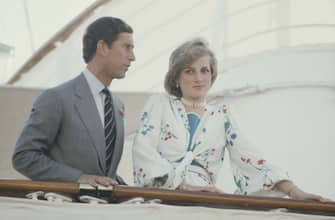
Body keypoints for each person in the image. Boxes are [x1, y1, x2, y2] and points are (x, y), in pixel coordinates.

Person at [132, 38, 327, 201]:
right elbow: (143, 149)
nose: (198, 78)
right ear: (176, 77)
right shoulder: (159, 104)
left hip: (205, 200)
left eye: (204, 70)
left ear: (212, 74)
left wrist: (295, 192)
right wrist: (183, 185)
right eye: (189, 71)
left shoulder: (222, 115)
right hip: (160, 197)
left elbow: (250, 158)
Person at [12, 17, 135, 187]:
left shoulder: (117, 105)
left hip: (105, 210)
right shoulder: (57, 98)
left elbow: (103, 171)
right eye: (127, 47)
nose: (132, 57)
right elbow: (24, 157)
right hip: (67, 208)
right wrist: (79, 178)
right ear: (103, 48)